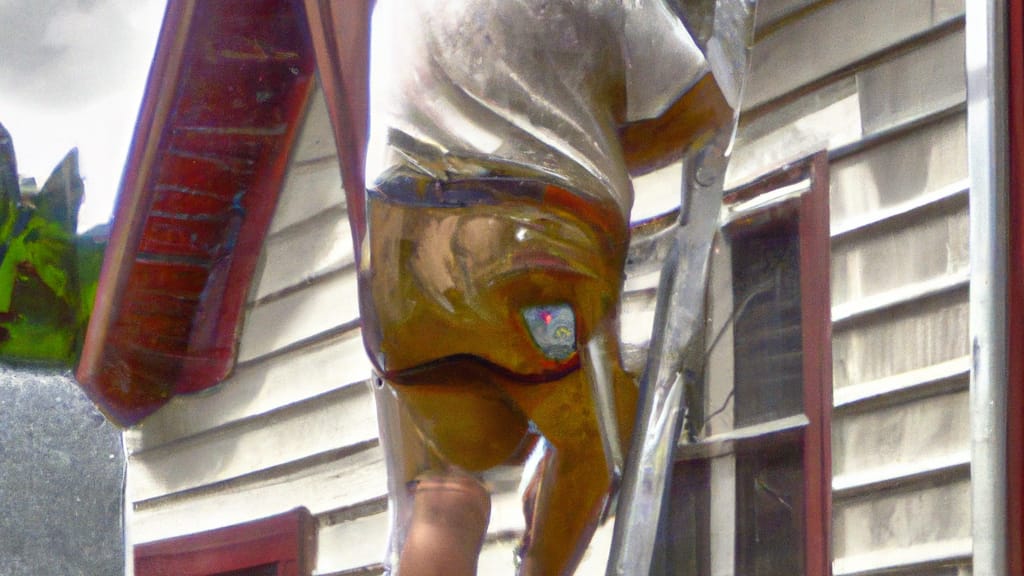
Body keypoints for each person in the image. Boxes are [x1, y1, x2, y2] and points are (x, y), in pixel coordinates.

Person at [360, 1, 731, 573]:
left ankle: (522, 465)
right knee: (598, 432)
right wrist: (597, 145)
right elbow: (704, 111)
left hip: (400, 270)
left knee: (447, 486)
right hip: (524, 265)